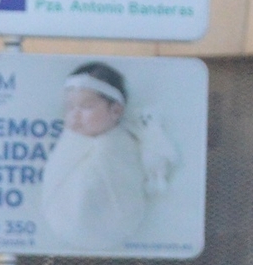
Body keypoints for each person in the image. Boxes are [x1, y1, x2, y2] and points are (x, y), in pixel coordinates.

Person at [36, 62, 177, 253]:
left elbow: (125, 181)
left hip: (111, 224)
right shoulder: (69, 142)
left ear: (116, 111)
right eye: (70, 107)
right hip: (66, 226)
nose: (75, 115)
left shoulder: (120, 145)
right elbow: (56, 172)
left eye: (86, 107)